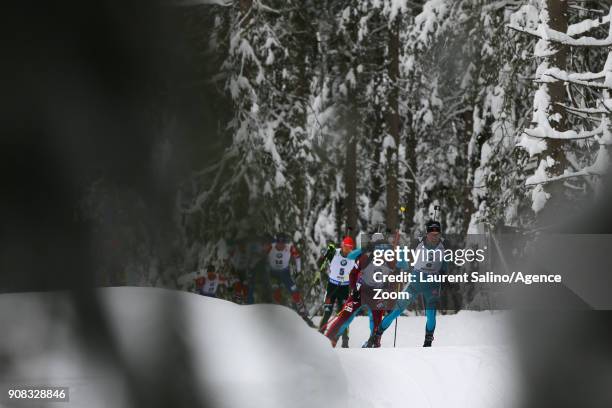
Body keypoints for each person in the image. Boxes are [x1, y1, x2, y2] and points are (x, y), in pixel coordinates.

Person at [366, 220, 447, 347]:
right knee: (397, 311)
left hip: (432, 283)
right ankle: (377, 334)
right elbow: (408, 246)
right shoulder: (419, 242)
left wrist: (443, 275)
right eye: (432, 234)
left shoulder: (442, 247)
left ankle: (428, 342)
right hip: (416, 282)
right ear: (427, 234)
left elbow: (444, 265)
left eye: (437, 234)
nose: (435, 237)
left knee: (431, 314)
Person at [323, 232, 395, 348]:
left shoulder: (389, 259)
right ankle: (329, 340)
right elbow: (352, 270)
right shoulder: (364, 256)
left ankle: (374, 342)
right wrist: (353, 288)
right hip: (360, 292)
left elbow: (394, 277)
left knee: (376, 320)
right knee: (344, 316)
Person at [265, 233, 315, 327]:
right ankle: (277, 315)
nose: (281, 245)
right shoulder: (270, 247)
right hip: (273, 274)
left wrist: (298, 271)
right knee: (276, 292)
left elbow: (297, 257)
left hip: (285, 273)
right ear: (276, 242)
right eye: (279, 243)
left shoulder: (289, 247)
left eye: (283, 243)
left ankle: (303, 314)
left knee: (294, 290)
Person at [318, 236, 356, 348]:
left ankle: (345, 340)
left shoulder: (354, 257)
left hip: (344, 288)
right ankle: (319, 336)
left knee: (344, 315)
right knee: (327, 312)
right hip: (332, 287)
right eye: (345, 247)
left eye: (349, 248)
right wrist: (326, 253)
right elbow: (320, 263)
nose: (347, 250)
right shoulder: (334, 253)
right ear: (342, 245)